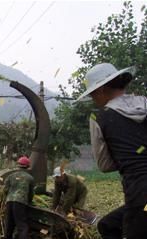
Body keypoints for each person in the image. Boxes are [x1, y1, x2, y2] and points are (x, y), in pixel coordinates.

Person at [76, 63, 147, 238]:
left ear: (101, 90)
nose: (93, 99)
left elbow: (105, 165)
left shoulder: (100, 118)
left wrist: (128, 158)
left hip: (140, 191)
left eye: (92, 94)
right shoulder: (145, 102)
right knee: (108, 225)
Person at [3, 156, 34, 239]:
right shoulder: (30, 178)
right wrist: (30, 202)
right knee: (22, 226)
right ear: (27, 166)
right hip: (20, 202)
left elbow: (5, 189)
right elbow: (31, 193)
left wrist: (9, 197)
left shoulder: (11, 176)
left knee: (9, 224)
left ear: (18, 165)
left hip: (9, 201)